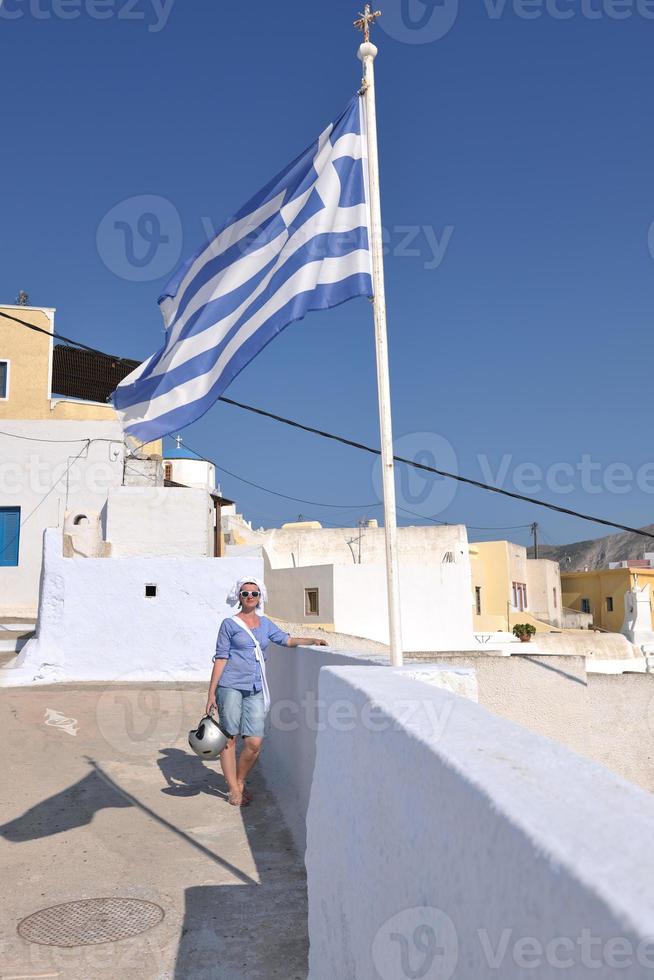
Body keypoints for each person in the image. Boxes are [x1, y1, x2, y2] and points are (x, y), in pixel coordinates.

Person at [206, 577, 328, 807]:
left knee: (254, 742)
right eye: (245, 593)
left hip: (255, 687)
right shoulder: (229, 624)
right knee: (229, 738)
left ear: (260, 597)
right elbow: (221, 658)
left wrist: (312, 640)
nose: (250, 597)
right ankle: (233, 789)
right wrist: (211, 692)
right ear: (238, 597)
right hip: (230, 685)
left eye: (254, 593)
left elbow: (285, 639)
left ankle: (240, 780)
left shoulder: (265, 624)